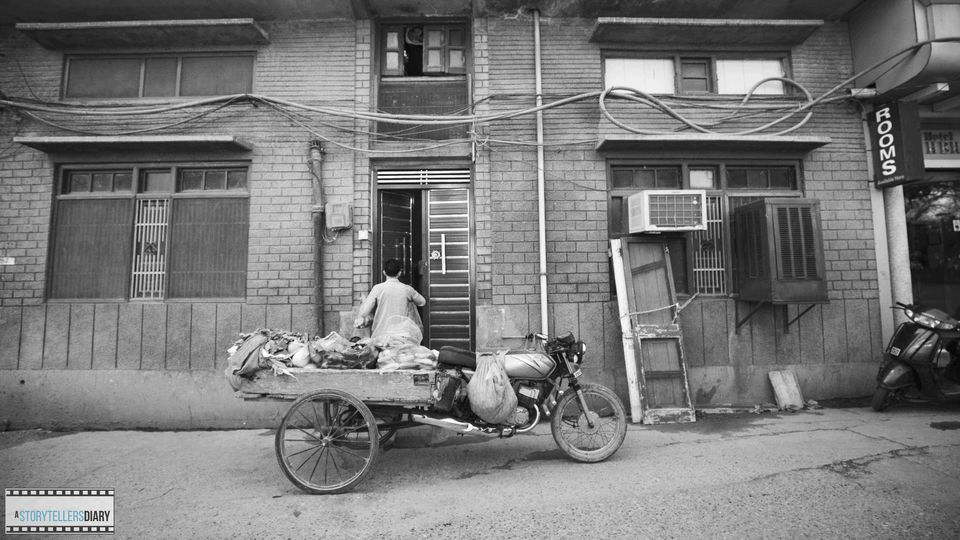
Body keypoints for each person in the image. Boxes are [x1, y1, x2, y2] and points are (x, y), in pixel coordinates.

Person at [354, 259, 426, 340]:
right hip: (401, 335)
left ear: (384, 272)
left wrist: (364, 302)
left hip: (381, 334)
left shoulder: (377, 288)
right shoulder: (407, 289)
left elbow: (364, 311)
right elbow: (422, 302)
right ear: (399, 273)